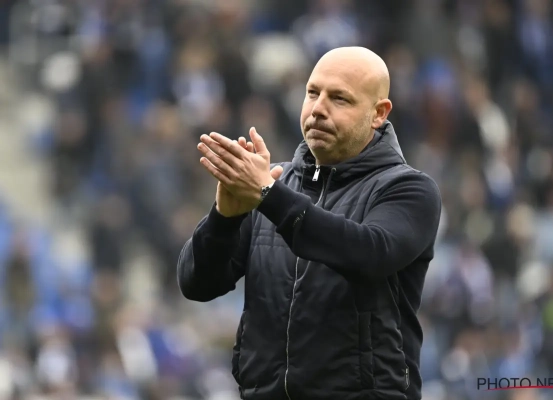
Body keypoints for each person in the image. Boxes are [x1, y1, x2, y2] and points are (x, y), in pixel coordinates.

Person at [178, 46, 442, 400]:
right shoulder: (274, 185)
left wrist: (269, 195)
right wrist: (224, 218)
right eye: (313, 93)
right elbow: (197, 284)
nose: (318, 109)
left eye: (339, 99)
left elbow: (370, 253)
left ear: (378, 113)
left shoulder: (408, 188)